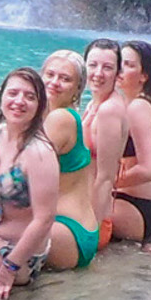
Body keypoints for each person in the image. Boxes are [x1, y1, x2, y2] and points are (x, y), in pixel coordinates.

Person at [0, 67, 64, 298]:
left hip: (15, 256)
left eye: (29, 97)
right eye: (13, 93)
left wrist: (8, 270)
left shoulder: (40, 153)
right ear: (1, 98)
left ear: (39, 106)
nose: (19, 101)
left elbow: (45, 219)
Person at [37, 50, 107, 270]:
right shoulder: (44, 116)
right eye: (50, 75)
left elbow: (21, 173)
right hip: (73, 230)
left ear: (78, 89)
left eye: (65, 79)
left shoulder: (61, 118)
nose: (55, 82)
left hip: (68, 230)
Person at [114, 38, 151, 243]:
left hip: (134, 207)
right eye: (119, 63)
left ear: (144, 76)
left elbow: (149, 169)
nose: (120, 70)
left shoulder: (138, 108)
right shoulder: (143, 103)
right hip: (142, 205)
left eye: (129, 65)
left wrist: (105, 184)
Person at [80, 39, 129, 244]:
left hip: (93, 219)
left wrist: (92, 231)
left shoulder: (109, 110)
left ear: (118, 75)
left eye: (107, 68)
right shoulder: (95, 103)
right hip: (81, 208)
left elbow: (106, 177)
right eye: (93, 65)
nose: (98, 73)